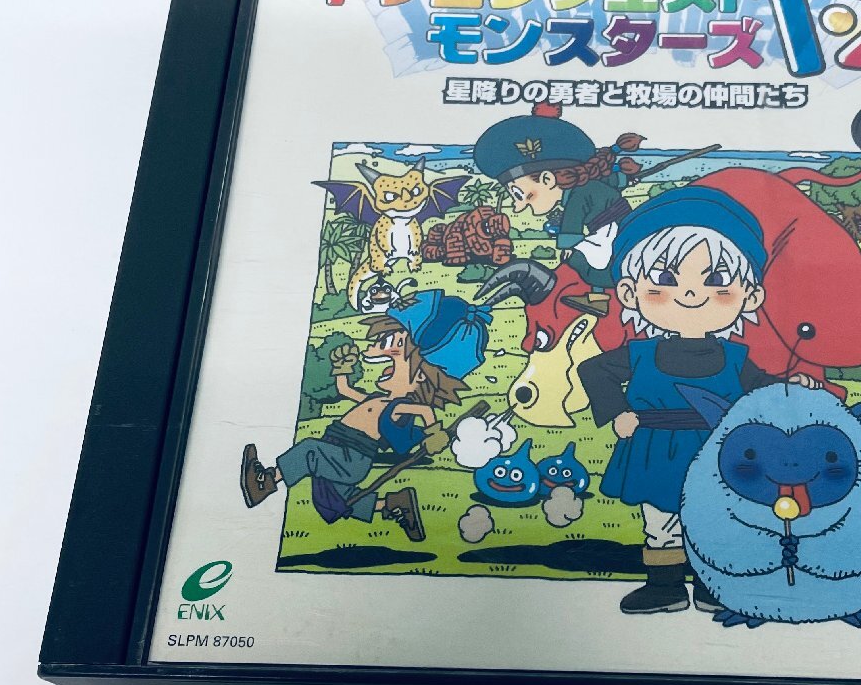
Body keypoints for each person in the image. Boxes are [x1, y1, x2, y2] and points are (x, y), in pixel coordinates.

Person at [578, 186, 819, 615]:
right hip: (654, 447)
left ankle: (712, 586)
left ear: (751, 296)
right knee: (661, 523)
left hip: (716, 450)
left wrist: (791, 386)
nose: (691, 295)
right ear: (629, 293)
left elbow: (761, 389)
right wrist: (617, 412)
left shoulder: (735, 357)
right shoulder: (640, 353)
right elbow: (593, 371)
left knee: (716, 517)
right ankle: (665, 587)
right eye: (665, 281)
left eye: (717, 282)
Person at [240, 308, 473, 536]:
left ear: (420, 377)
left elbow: (425, 410)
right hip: (339, 447)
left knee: (309, 450)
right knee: (333, 498)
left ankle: (265, 482)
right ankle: (394, 504)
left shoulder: (398, 407)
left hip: (352, 456)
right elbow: (345, 390)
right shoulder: (378, 399)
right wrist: (342, 368)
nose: (388, 366)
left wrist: (435, 434)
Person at [472, 102, 642, 314]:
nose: (518, 207)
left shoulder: (578, 196)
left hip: (614, 233)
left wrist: (568, 245)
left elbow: (572, 221)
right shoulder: (585, 187)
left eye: (519, 195)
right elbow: (611, 181)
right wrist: (625, 179)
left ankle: (599, 298)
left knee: (582, 261)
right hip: (613, 231)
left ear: (547, 179)